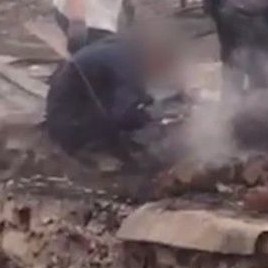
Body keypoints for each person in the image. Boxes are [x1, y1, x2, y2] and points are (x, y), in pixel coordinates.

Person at [44, 24, 177, 165]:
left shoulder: (122, 46)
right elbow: (124, 115)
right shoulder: (129, 64)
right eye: (162, 68)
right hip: (71, 128)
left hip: (62, 110)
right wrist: (154, 119)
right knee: (146, 140)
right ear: (156, 55)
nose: (159, 75)